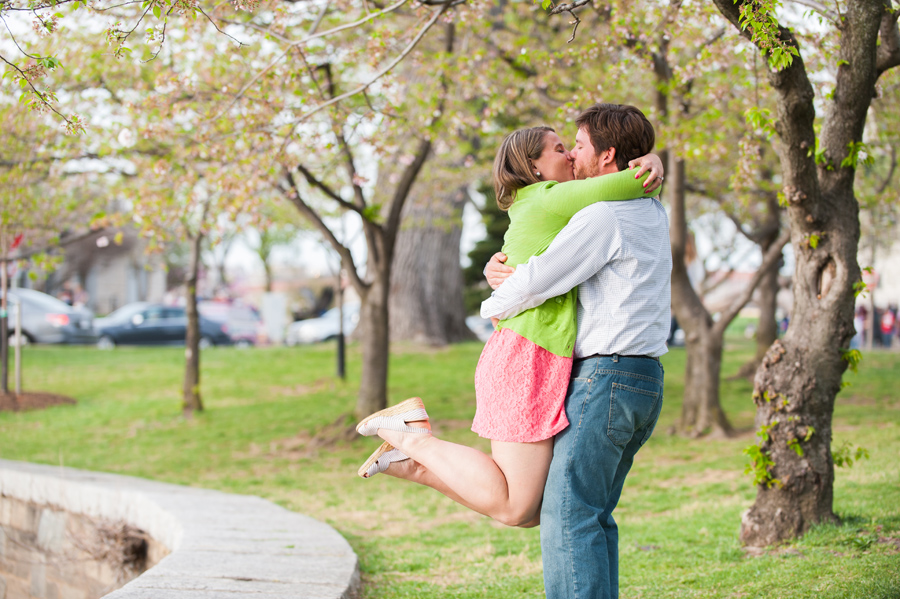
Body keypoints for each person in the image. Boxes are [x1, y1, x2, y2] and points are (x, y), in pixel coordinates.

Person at [355, 124, 663, 530]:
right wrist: (655, 165)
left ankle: (412, 463)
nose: (570, 155)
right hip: (526, 355)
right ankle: (413, 438)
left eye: (572, 147)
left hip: (532, 353)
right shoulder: (549, 199)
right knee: (517, 508)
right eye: (559, 149)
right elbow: (630, 185)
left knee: (531, 510)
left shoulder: (542, 204)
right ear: (534, 167)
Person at [483, 103, 671, 599]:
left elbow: (537, 282)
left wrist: (494, 296)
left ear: (607, 156)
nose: (572, 154)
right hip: (644, 380)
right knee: (593, 514)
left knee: (567, 513)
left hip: (605, 379)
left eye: (579, 145)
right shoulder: (652, 208)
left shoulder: (602, 216)